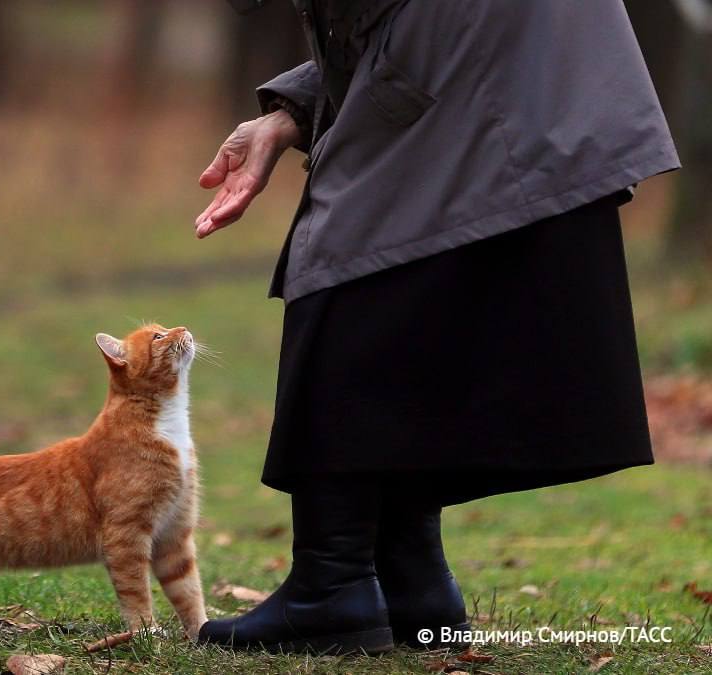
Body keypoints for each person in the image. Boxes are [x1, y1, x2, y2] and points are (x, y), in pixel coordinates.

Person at [195, 0, 680, 655]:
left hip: (486, 35)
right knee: (412, 266)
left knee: (348, 259)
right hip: (513, 45)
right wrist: (291, 111)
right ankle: (410, 580)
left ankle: (332, 584)